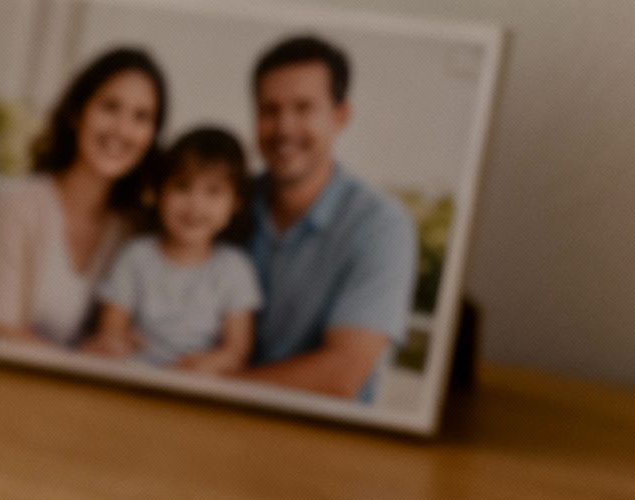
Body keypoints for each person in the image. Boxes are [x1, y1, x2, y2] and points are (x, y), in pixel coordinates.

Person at [232, 35, 416, 401]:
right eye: (269, 110)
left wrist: (203, 389)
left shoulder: (381, 225)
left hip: (322, 439)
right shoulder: (228, 204)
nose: (284, 127)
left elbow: (342, 374)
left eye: (303, 108)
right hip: (215, 425)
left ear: (340, 116)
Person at [0, 48, 166, 347]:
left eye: (141, 117)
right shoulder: (18, 207)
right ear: (76, 113)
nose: (122, 130)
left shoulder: (132, 232)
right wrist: (83, 363)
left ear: (152, 135)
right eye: (110, 107)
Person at [84, 127, 260, 373]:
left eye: (213, 191)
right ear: (159, 193)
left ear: (236, 204)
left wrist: (205, 365)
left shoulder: (234, 268)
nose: (195, 205)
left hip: (198, 388)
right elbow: (111, 328)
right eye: (182, 187)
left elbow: (237, 350)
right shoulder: (137, 256)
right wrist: (116, 344)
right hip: (134, 376)